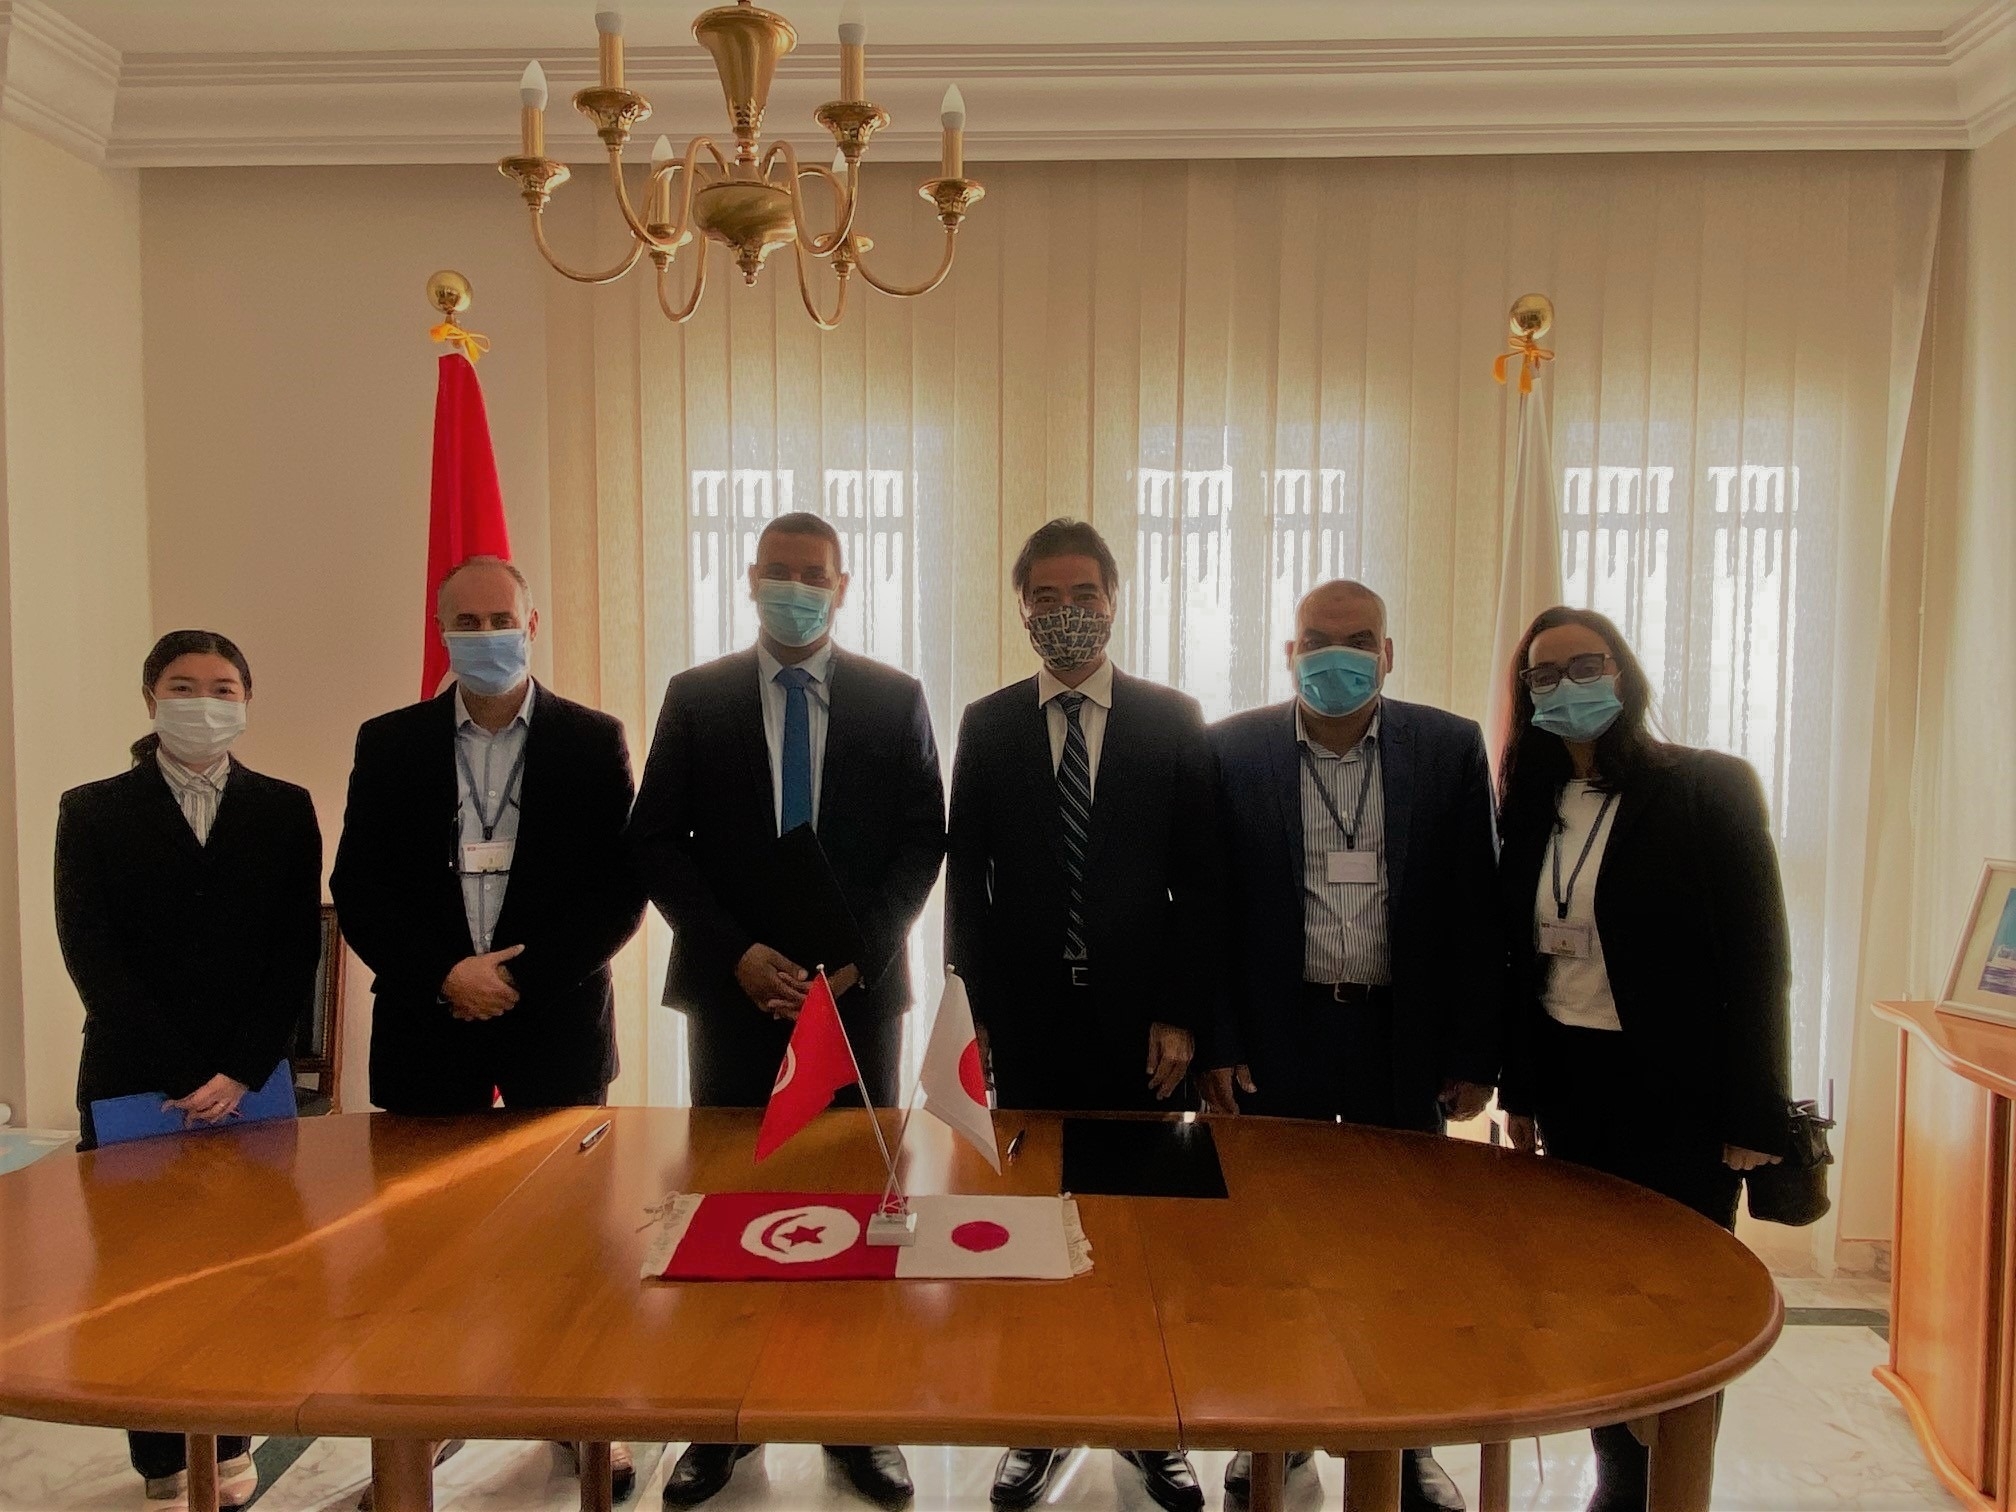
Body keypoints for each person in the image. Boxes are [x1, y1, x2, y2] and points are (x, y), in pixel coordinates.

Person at [627, 510, 944, 1510]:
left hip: (857, 999)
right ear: (750, 578)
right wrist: (735, 953)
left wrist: (856, 960)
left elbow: (922, 840)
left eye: (814, 573)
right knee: (728, 1207)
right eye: (779, 570)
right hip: (735, 995)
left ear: (842, 586)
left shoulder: (895, 698)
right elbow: (655, 841)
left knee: (857, 1208)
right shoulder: (697, 696)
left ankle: (858, 1421)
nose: (795, 587)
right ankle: (722, 1422)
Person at [329, 555, 644, 1501]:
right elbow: (358, 886)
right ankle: (424, 1421)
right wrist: (445, 976)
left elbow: (620, 890)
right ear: (441, 632)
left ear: (532, 624)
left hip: (554, 1023)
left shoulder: (592, 740)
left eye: (500, 618)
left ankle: (578, 1414)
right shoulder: (390, 742)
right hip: (427, 1024)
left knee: (569, 1242)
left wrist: (516, 981)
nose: (485, 635)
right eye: (464, 622)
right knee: (421, 1245)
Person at [945, 518, 1219, 1512]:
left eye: (1084, 595)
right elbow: (966, 876)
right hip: (1026, 1021)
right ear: (1022, 610)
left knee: (1144, 1235)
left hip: (1141, 1027)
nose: (1067, 614)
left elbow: (1201, 879)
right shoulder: (988, 723)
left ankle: (1151, 1428)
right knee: (1032, 1227)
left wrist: (1182, 1012)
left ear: (1114, 600)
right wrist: (969, 1008)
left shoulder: (1173, 718)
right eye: (1047, 598)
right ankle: (1039, 1419)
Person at [1204, 579, 1495, 1512]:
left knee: (1401, 1254)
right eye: (1317, 639)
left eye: (1359, 639)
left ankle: (1402, 1444)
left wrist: (1473, 1052)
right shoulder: (1232, 748)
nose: (1338, 655)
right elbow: (1207, 910)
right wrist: (1219, 1041)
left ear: (1389, 653)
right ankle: (1275, 1437)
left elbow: (1477, 908)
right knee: (1273, 1248)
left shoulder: (1448, 748)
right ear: (1289, 653)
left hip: (1398, 1037)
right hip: (1276, 1035)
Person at [1494, 605, 1791, 1512]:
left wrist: (1756, 1114)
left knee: (1684, 1307)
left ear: (1623, 673)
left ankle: (1675, 1482)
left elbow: (1759, 957)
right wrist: (1522, 1094)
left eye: (1585, 665)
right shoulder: (1532, 804)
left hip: (1682, 1096)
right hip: (1575, 1089)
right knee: (1596, 1298)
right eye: (1544, 675)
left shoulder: (1707, 786)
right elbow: (1522, 963)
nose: (1567, 687)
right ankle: (1620, 1480)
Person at [54, 630, 322, 1511]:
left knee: (245, 1262)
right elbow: (91, 953)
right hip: (135, 1075)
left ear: (246, 700)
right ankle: (164, 1457)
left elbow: (296, 948)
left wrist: (241, 1069)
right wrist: (180, 1071)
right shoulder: (92, 810)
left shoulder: (285, 807)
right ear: (149, 698)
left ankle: (231, 1435)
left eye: (222, 686)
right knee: (140, 1275)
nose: (203, 702)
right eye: (182, 685)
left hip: (252, 1079)